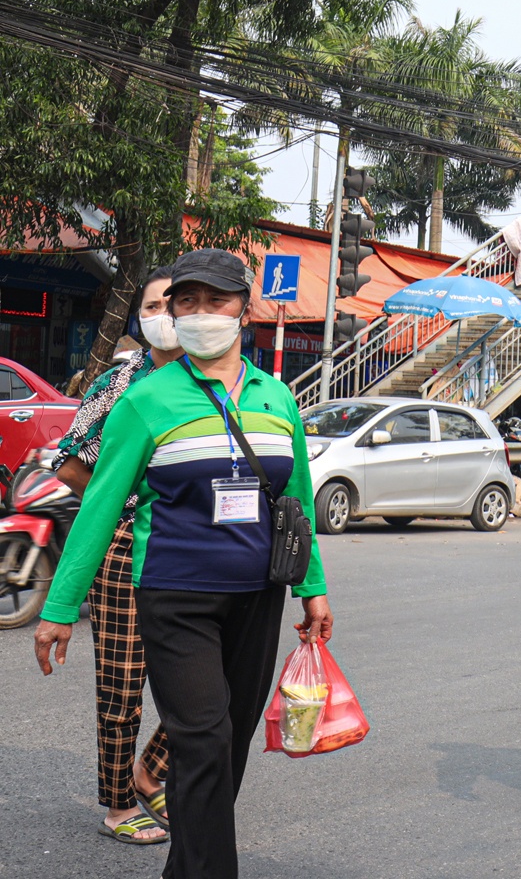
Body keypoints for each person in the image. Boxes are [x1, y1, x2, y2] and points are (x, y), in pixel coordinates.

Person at [34, 247, 333, 878]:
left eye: (215, 301)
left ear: (243, 311)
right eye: (186, 303)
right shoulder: (146, 400)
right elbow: (97, 507)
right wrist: (60, 607)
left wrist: (313, 591)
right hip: (174, 593)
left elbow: (296, 503)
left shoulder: (276, 397)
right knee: (203, 740)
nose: (200, 314)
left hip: (258, 594)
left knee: (233, 744)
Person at [50, 266, 179, 846]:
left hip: (195, 552)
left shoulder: (216, 384)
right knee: (123, 688)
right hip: (126, 548)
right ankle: (119, 804)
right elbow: (72, 463)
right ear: (140, 316)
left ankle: (152, 768)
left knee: (216, 677)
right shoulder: (121, 383)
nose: (164, 316)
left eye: (173, 305)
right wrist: (127, 500)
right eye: (152, 306)